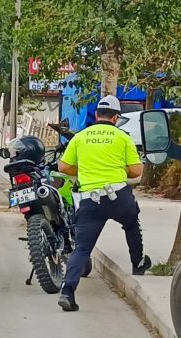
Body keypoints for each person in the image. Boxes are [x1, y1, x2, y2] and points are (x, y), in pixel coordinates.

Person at [57, 95, 151, 312]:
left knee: (81, 249)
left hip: (90, 199)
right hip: (118, 196)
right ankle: (137, 264)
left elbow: (63, 167)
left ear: (97, 115)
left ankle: (68, 292)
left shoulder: (80, 137)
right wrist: (119, 169)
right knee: (131, 224)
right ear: (116, 117)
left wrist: (85, 170)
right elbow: (137, 171)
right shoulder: (122, 137)